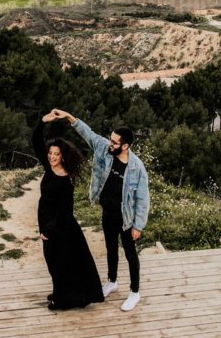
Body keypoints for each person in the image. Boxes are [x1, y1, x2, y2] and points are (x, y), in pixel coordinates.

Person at [49, 108, 150, 312]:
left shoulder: (136, 168)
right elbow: (89, 134)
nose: (110, 143)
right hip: (108, 213)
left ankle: (135, 292)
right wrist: (69, 117)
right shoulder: (105, 149)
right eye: (110, 140)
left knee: (131, 254)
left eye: (114, 142)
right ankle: (112, 281)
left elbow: (142, 198)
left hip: (127, 218)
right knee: (111, 248)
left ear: (125, 145)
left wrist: (138, 225)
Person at [32, 112, 104, 311]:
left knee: (58, 264)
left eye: (56, 154)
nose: (52, 157)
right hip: (49, 223)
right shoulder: (49, 168)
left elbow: (65, 213)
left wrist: (49, 230)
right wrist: (42, 123)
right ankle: (60, 292)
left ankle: (62, 300)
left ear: (63, 156)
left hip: (60, 229)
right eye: (51, 153)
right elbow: (37, 143)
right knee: (54, 263)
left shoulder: (66, 181)